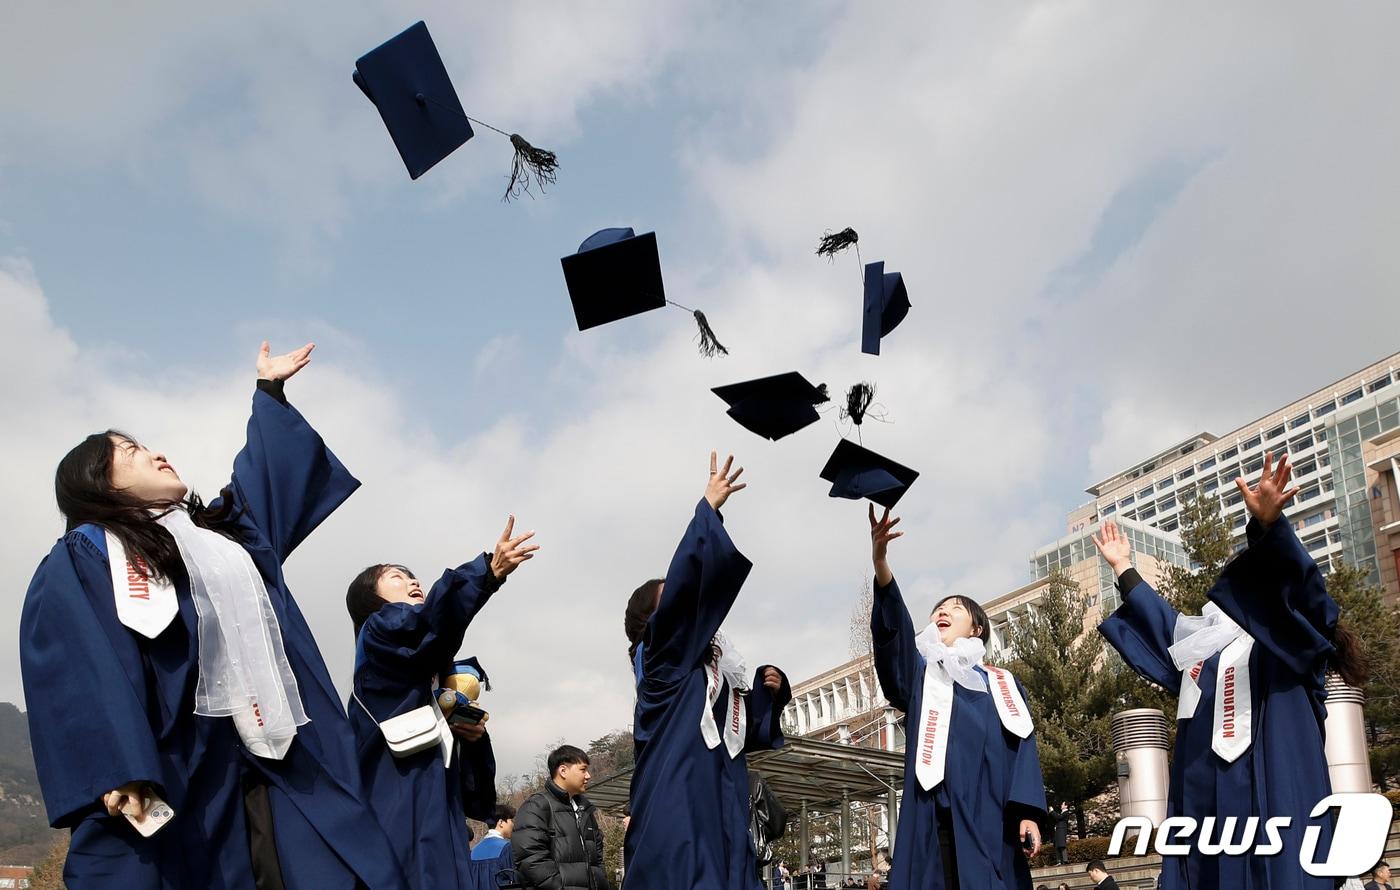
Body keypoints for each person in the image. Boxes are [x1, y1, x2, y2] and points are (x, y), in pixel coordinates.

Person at [19, 342, 409, 889]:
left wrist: (269, 394)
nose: (156, 453)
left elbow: (265, 477)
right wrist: (115, 764)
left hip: (284, 750)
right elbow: (79, 663)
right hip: (183, 756)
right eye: (130, 450)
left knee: (330, 867)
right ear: (97, 484)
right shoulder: (92, 552)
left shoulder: (225, 535)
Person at [1096, 454, 1366, 890]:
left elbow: (1305, 595)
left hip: (1277, 795)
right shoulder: (1199, 653)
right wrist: (1123, 569)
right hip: (1204, 804)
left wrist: (1268, 529)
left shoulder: (1291, 644)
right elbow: (1163, 625)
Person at [621, 453, 793, 889]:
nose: (689, 605)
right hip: (676, 799)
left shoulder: (708, 671)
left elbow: (745, 734)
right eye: (673, 601)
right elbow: (684, 592)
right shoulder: (659, 661)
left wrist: (767, 692)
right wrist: (708, 512)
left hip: (721, 797)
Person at [346, 518, 536, 890]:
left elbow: (476, 798)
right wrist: (486, 573)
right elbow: (424, 626)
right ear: (371, 599)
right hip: (399, 810)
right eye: (396, 577)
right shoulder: (380, 631)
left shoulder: (433, 677)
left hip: (440, 819)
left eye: (413, 575)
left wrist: (473, 736)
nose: (412, 581)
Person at [868, 505, 1047, 889]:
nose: (942, 612)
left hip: (992, 821)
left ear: (978, 626)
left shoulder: (1002, 684)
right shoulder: (922, 674)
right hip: (934, 819)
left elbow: (1023, 751)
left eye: (955, 608)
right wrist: (881, 563)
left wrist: (1028, 813)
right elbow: (894, 636)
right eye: (938, 610)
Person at [512, 744, 610, 889]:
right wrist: (559, 887)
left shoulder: (585, 809)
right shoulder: (537, 806)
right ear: (563, 771)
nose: (588, 776)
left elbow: (597, 857)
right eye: (583, 769)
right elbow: (530, 859)